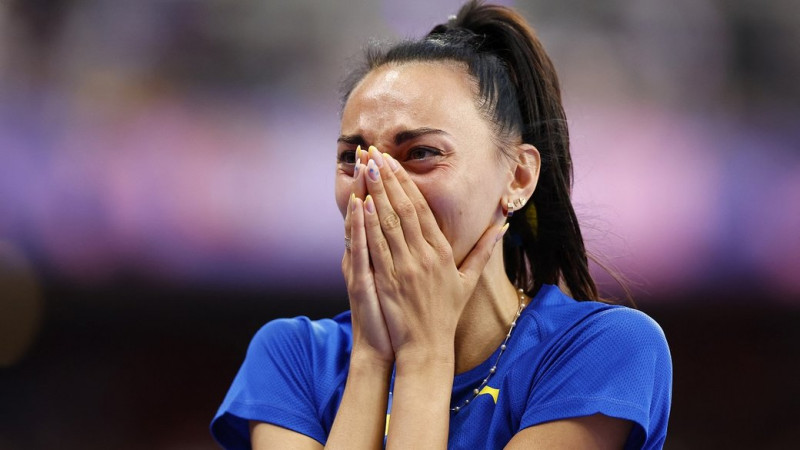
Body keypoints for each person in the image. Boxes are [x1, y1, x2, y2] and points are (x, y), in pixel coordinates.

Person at [211, 1, 672, 448]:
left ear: (517, 176)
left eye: (421, 153)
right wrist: (372, 356)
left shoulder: (601, 350)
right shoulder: (292, 357)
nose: (375, 185)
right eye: (353, 159)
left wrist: (423, 354)